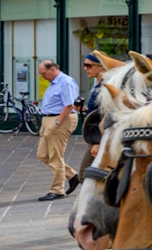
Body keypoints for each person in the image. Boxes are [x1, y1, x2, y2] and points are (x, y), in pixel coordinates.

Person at [36, 60, 80, 201]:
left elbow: (69, 104)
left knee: (55, 156)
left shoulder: (66, 82)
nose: (42, 76)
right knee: (42, 155)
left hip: (60, 119)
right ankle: (72, 175)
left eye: (44, 73)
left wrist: (57, 122)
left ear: (53, 69)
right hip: (48, 119)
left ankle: (57, 190)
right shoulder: (54, 83)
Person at [77, 54, 105, 175]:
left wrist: (98, 142)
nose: (85, 69)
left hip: (99, 137)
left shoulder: (105, 85)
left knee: (85, 173)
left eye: (89, 65)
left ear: (101, 66)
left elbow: (106, 114)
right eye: (84, 65)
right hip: (95, 137)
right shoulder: (97, 83)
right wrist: (84, 110)